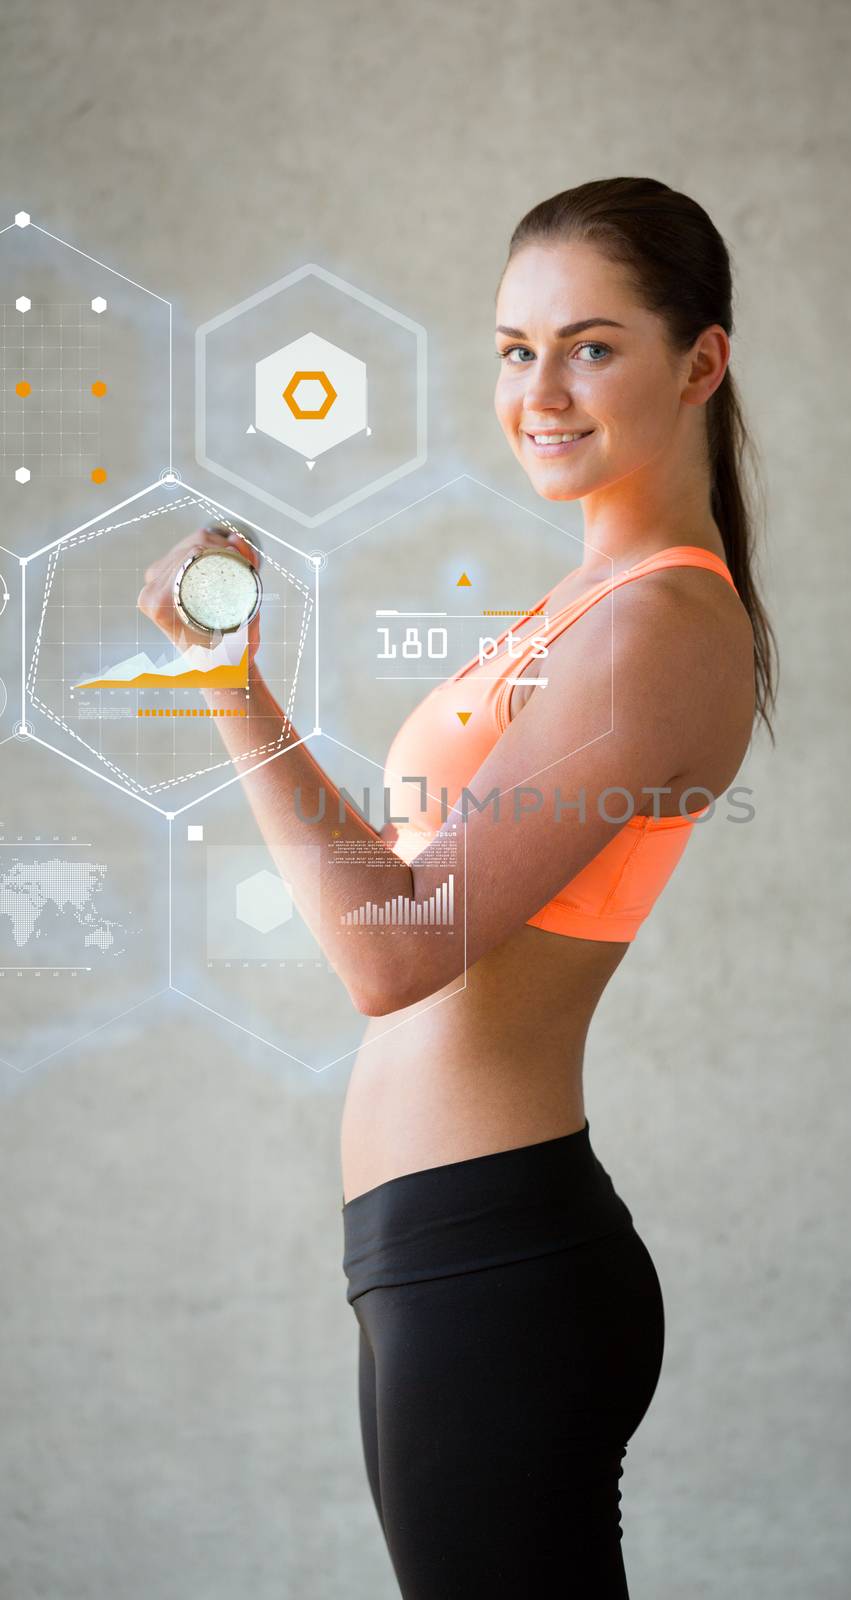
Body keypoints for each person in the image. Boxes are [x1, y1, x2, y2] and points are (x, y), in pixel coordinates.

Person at [138, 175, 778, 1599]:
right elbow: (404, 893)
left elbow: (393, 954)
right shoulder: (585, 608)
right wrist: (229, 676)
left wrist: (228, 690)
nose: (539, 389)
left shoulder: (660, 624)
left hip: (495, 1256)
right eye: (512, 348)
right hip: (444, 1247)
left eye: (590, 345)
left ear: (701, 360)